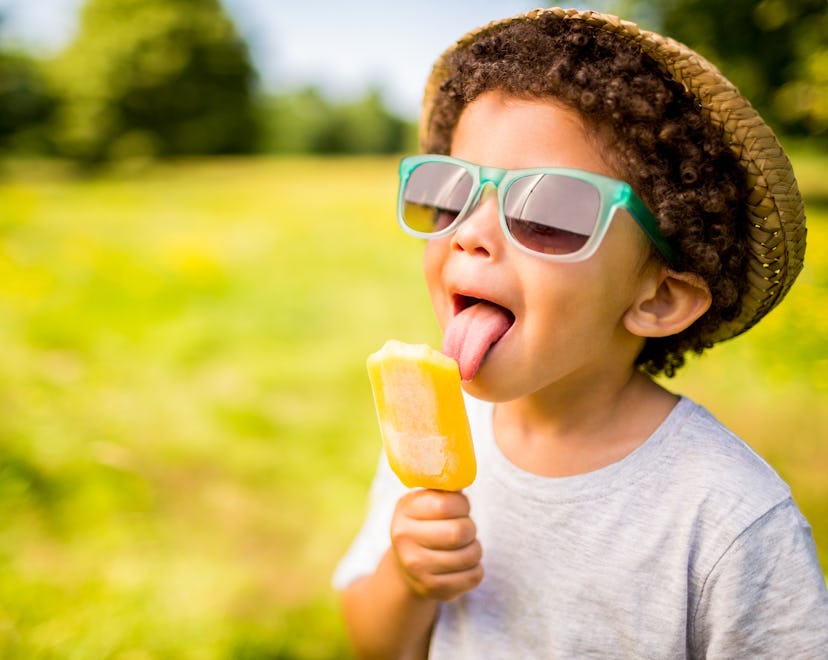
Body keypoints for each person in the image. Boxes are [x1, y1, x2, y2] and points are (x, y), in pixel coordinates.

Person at [333, 7, 828, 658]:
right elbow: (375, 645)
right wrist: (406, 577)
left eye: (548, 211)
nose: (470, 233)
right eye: (451, 193)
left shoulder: (725, 517)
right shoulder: (432, 441)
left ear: (659, 298)